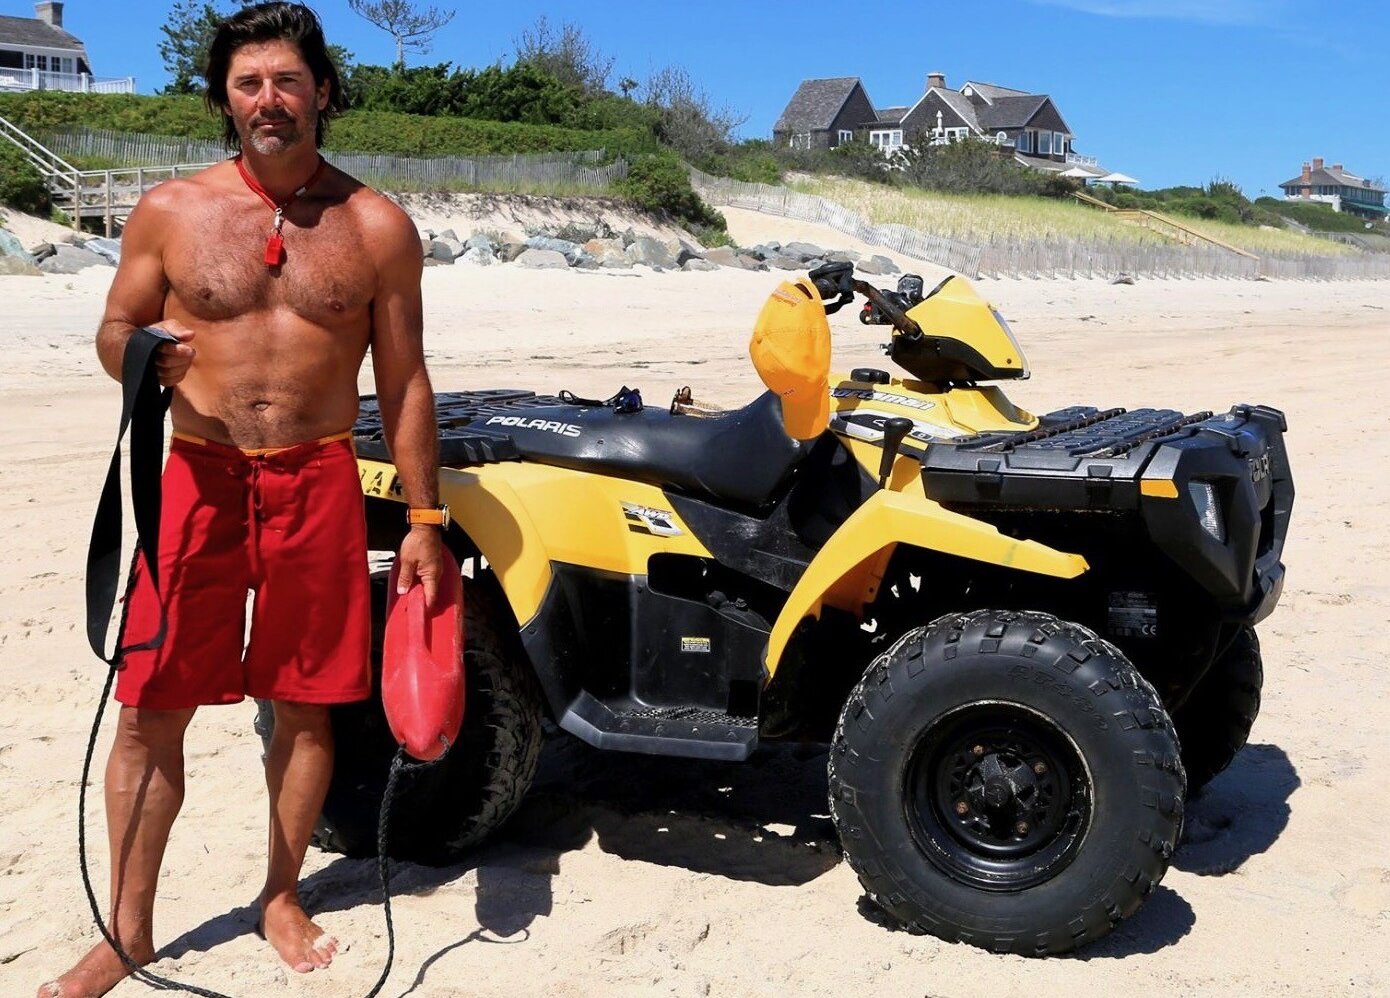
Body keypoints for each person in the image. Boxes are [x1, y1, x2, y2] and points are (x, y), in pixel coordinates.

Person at [40, 4, 443, 995]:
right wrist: (139, 356)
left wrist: (427, 519)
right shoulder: (172, 212)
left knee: (304, 704)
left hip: (317, 478)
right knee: (149, 706)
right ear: (225, 98)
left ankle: (278, 891)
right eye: (249, 83)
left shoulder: (377, 227)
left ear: (323, 92)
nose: (269, 99)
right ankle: (127, 928)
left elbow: (404, 382)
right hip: (200, 479)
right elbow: (112, 329)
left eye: (287, 80)